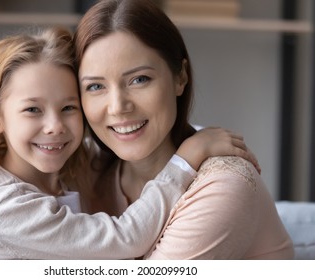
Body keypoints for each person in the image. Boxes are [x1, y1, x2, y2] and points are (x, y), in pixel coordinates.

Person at [0, 26, 256, 259]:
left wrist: (199, 136)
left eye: (68, 108)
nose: (55, 127)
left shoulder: (65, 167)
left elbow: (140, 135)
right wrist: (190, 155)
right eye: (32, 110)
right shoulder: (4, 209)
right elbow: (125, 238)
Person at [73, 0, 294, 259]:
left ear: (181, 77)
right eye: (95, 87)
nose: (118, 107)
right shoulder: (85, 170)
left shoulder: (223, 186)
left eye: (139, 79)